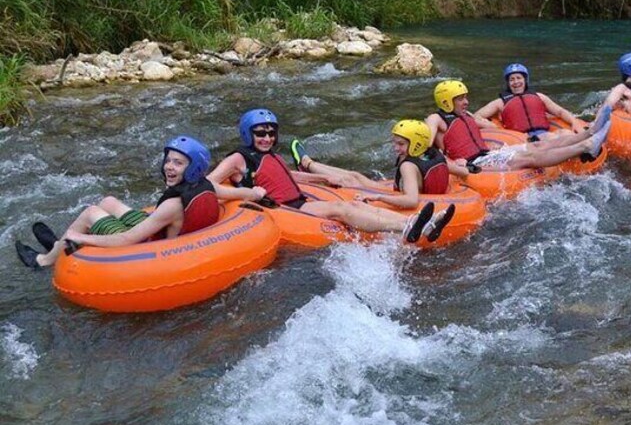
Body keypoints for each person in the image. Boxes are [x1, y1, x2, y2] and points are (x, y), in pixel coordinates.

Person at [15, 135, 266, 269]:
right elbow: (238, 194)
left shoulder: (173, 205)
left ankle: (45, 261)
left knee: (92, 211)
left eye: (178, 163)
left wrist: (83, 239)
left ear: (193, 168)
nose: (169, 166)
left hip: (149, 244)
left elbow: (126, 240)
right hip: (159, 227)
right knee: (109, 201)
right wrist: (255, 193)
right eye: (168, 160)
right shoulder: (207, 185)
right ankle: (59, 245)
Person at [207, 109, 453, 243]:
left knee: (353, 203)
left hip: (300, 201)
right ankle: (407, 226)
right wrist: (247, 193)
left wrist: (322, 179)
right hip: (286, 210)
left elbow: (287, 177)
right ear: (248, 134)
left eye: (271, 133)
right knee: (341, 209)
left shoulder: (270, 155)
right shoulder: (238, 159)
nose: (267, 138)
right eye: (260, 133)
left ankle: (420, 222)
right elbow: (208, 185)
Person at [425, 79, 610, 172]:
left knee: (537, 145)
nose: (466, 102)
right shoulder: (435, 119)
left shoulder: (466, 115)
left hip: (487, 155)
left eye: (465, 97)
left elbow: (481, 128)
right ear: (446, 101)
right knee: (529, 157)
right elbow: (426, 147)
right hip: (472, 163)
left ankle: (590, 133)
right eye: (460, 99)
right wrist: (454, 165)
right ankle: (586, 146)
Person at [474, 63, 583, 141]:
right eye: (512, 79)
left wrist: (574, 122)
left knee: (566, 133)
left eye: (519, 78)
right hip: (522, 139)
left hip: (543, 133)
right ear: (508, 83)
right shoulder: (500, 103)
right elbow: (476, 116)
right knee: (551, 138)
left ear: (525, 80)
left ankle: (582, 147)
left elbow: (560, 111)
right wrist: (489, 125)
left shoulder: (539, 97)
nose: (516, 82)